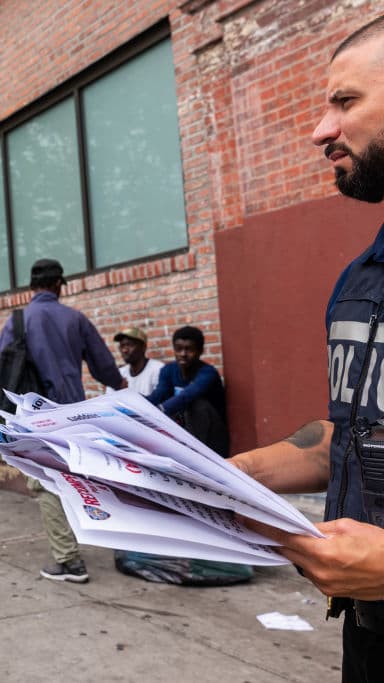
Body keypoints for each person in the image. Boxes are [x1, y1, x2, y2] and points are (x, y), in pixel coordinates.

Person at [229, 18, 384, 682]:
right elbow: (350, 434)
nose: (320, 130)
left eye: (345, 102)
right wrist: (218, 478)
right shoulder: (359, 280)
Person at [0, 258, 125, 583]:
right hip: (73, 414)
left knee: (46, 483)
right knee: (76, 476)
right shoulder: (75, 319)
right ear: (60, 284)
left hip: (36, 418)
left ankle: (68, 561)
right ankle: (112, 540)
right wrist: (120, 385)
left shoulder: (19, 321)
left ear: (31, 287)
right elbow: (103, 364)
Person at [145, 325, 229, 457]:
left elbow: (187, 395)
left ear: (200, 351)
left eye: (189, 349)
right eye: (179, 349)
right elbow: (159, 394)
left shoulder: (208, 373)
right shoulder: (168, 370)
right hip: (185, 431)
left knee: (197, 404)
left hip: (212, 436)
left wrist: (160, 409)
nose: (183, 354)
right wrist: (138, 404)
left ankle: (199, 456)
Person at [104, 326, 164, 395]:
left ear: (143, 347)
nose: (125, 350)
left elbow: (158, 402)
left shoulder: (158, 370)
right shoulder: (120, 374)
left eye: (129, 345)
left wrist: (126, 393)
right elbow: (109, 402)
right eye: (122, 346)